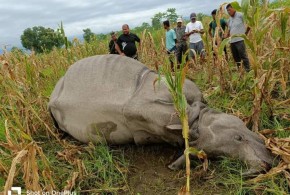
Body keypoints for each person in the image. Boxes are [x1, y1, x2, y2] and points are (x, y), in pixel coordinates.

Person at [225, 4, 251, 72]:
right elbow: (229, 30)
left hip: (240, 40)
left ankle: (248, 70)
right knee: (236, 57)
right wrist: (226, 37)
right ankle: (240, 70)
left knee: (243, 56)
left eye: (229, 10)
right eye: (227, 11)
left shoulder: (241, 15)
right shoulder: (229, 20)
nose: (228, 12)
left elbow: (249, 24)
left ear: (233, 8)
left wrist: (245, 33)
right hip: (232, 41)